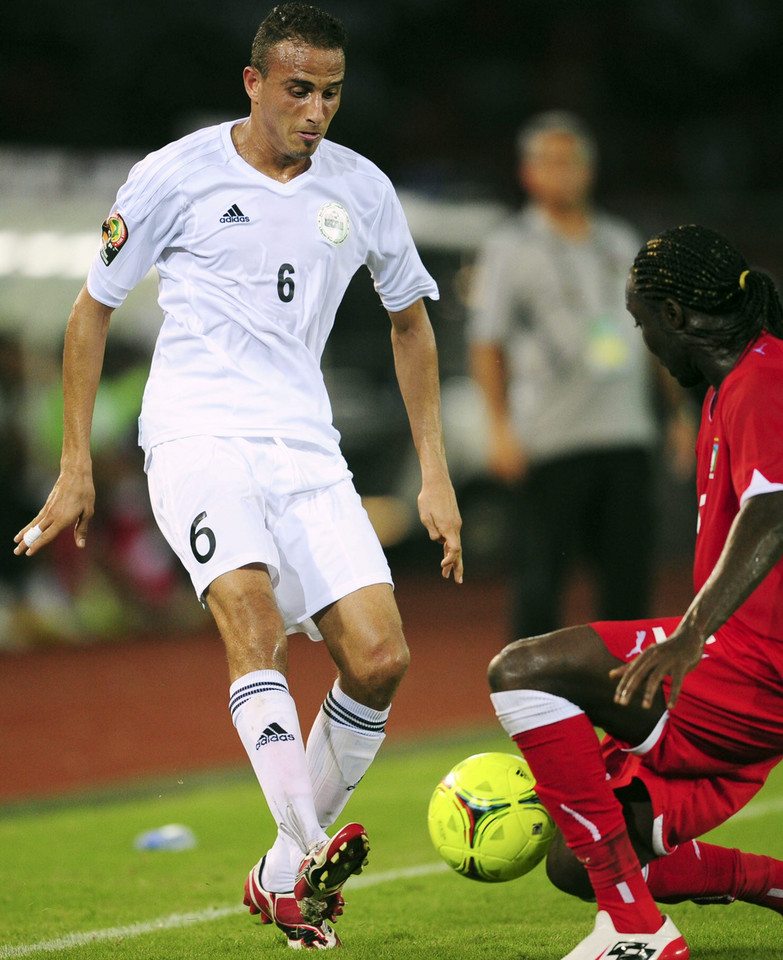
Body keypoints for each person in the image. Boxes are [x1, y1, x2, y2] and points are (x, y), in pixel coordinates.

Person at [14, 3, 462, 950]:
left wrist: (435, 475)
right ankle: (308, 844)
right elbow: (90, 313)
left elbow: (411, 320)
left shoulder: (362, 190)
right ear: (253, 83)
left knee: (380, 660)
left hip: (305, 447)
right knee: (251, 618)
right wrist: (72, 467)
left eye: (332, 92)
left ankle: (277, 873)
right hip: (197, 435)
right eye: (298, 89)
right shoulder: (173, 176)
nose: (317, 110)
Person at [488, 224, 783, 959]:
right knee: (578, 856)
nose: (643, 340)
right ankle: (768, 884)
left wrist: (688, 634)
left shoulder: (762, 379)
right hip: (744, 668)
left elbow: (773, 508)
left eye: (640, 323)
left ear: (675, 319)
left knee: (524, 671)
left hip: (752, 669)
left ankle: (638, 933)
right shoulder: (730, 386)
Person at [468, 111, 693, 639]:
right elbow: (487, 343)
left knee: (629, 583)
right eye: (552, 161)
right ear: (528, 173)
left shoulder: (619, 239)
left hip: (626, 434)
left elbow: (651, 336)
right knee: (540, 583)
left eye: (574, 161)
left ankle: (626, 704)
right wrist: (498, 428)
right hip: (550, 440)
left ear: (591, 170)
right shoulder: (510, 246)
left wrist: (679, 413)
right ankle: (534, 705)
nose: (564, 172)